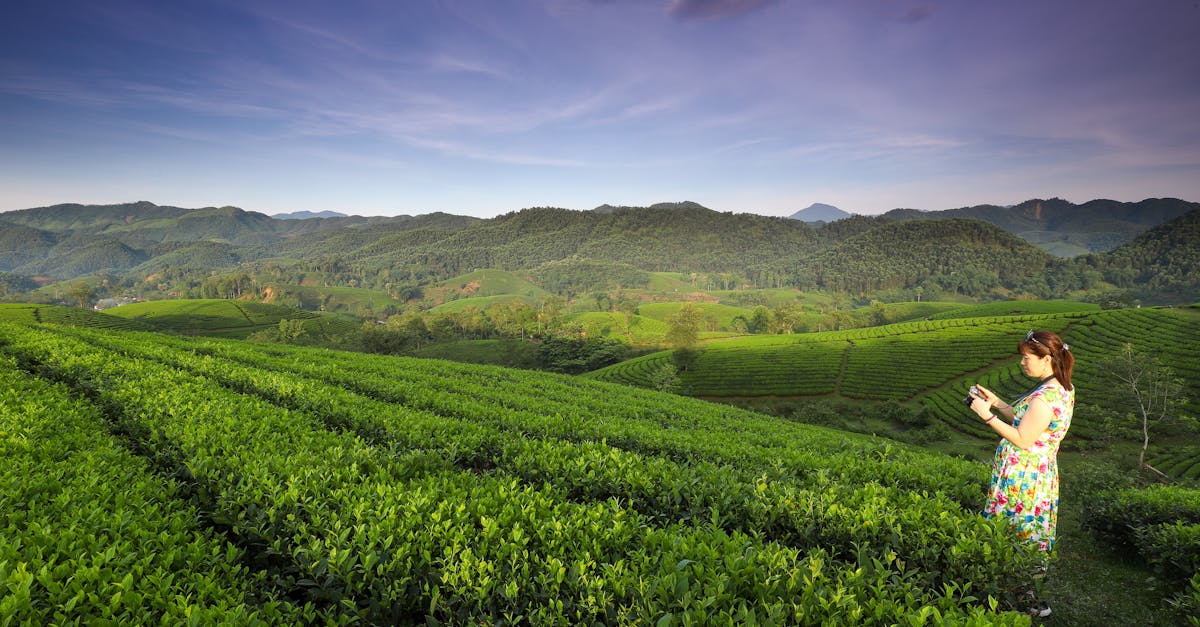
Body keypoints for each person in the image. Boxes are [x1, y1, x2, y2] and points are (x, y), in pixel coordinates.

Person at [967, 329, 1074, 617]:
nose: (1022, 363)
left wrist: (986, 415)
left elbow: (1024, 438)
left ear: (1046, 359)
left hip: (1024, 476)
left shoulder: (1044, 396)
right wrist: (998, 402)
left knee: (1017, 529)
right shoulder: (1059, 387)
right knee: (1030, 530)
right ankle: (1026, 594)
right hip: (1035, 472)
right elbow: (1027, 420)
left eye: (1027, 358)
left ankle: (1022, 599)